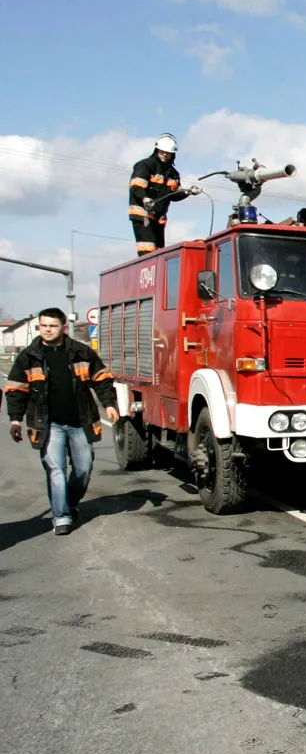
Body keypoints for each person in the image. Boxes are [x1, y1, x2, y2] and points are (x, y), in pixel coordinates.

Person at [5, 309, 119, 535]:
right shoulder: (28, 356)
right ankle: (61, 516)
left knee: (84, 468)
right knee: (55, 470)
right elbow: (16, 391)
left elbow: (102, 380)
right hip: (48, 425)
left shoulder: (81, 352)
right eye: (43, 325)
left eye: (52, 326)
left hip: (80, 421)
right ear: (39, 326)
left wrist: (109, 404)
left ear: (63, 327)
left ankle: (68, 501)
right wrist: (15, 420)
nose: (47, 329)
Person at [128, 133, 200, 255]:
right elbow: (136, 186)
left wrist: (188, 192)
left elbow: (174, 195)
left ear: (173, 154)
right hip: (143, 214)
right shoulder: (145, 165)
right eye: (162, 151)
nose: (165, 154)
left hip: (159, 217)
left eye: (168, 152)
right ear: (157, 149)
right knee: (148, 250)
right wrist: (145, 199)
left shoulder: (173, 173)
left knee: (159, 252)